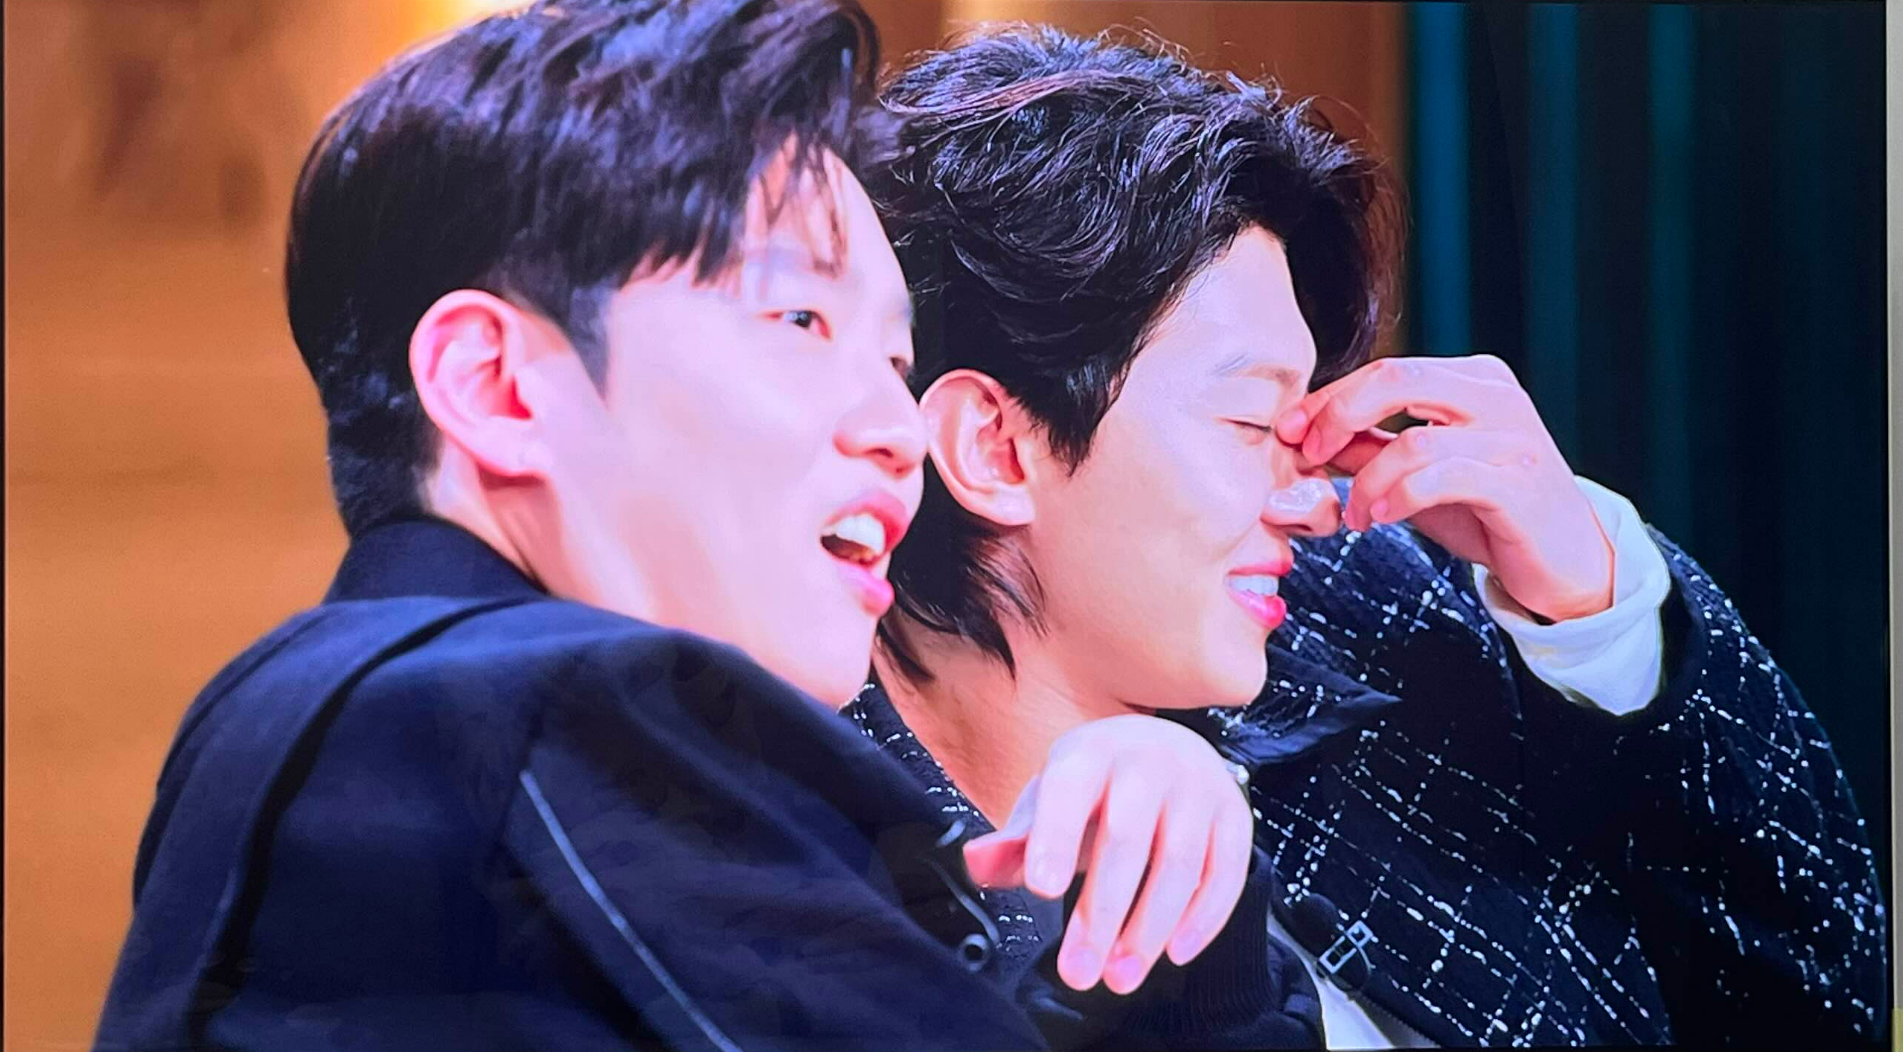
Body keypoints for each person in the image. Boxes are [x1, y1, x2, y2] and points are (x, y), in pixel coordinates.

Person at [92, 5, 1293, 1050]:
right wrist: (1201, 965)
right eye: (800, 321)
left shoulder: (320, 709)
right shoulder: (560, 705)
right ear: (495, 384)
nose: (898, 428)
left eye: (896, 360)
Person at [856, 24, 1888, 1049]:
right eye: (1248, 421)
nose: (1309, 499)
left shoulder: (1377, 601)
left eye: (1300, 420)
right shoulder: (818, 872)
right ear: (994, 447)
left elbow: (1822, 999)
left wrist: (1598, 619)